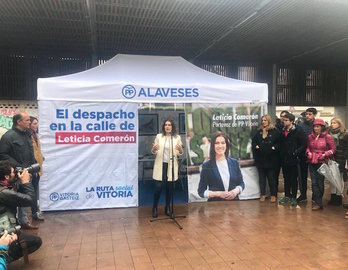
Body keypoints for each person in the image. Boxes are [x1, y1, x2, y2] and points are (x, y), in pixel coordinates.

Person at [0, 112, 38, 230]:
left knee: (25, 196)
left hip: (28, 171)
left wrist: (34, 165)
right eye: (27, 120)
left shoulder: (27, 134)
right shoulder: (8, 136)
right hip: (15, 173)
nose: (29, 123)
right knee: (18, 197)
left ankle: (24, 221)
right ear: (19, 122)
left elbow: (30, 152)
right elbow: (3, 154)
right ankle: (15, 223)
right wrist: (17, 167)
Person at [0, 160, 42, 263]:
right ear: (6, 176)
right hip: (3, 234)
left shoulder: (5, 188)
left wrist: (18, 181)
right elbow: (30, 200)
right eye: (13, 172)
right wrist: (26, 182)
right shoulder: (4, 193)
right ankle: (5, 256)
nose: (16, 174)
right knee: (36, 241)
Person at [197, 131, 245, 201]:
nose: (220, 146)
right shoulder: (206, 166)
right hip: (215, 206)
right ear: (213, 146)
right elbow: (201, 192)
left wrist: (236, 191)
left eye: (223, 143)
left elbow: (241, 183)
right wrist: (217, 194)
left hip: (234, 205)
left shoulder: (234, 163)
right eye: (217, 143)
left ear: (226, 145)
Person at [151, 119, 183, 218]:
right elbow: (154, 151)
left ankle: (167, 207)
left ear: (172, 127)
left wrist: (181, 150)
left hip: (171, 166)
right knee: (158, 188)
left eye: (169, 125)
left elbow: (179, 152)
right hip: (161, 165)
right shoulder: (159, 137)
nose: (167, 126)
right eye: (166, 125)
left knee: (170, 188)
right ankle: (155, 207)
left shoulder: (177, 138)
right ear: (164, 127)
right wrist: (153, 149)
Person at [306, 119, 336, 210]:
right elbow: (308, 147)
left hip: (322, 162)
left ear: (322, 127)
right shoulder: (310, 136)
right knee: (314, 183)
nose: (316, 128)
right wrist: (308, 153)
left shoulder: (328, 137)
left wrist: (325, 154)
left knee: (320, 182)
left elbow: (333, 149)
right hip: (312, 161)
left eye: (318, 126)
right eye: (314, 126)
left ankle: (319, 201)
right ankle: (318, 202)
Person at [279, 113, 306, 207]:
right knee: (286, 178)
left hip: (294, 158)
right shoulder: (282, 131)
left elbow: (304, 144)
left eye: (286, 120)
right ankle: (287, 195)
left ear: (291, 121)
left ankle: (294, 196)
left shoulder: (298, 131)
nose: (284, 122)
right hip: (284, 158)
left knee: (294, 178)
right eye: (283, 120)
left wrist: (296, 152)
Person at [252, 114, 280, 203]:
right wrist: (255, 146)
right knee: (262, 178)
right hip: (261, 159)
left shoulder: (275, 131)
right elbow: (254, 142)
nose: (263, 122)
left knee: (271, 178)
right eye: (262, 120)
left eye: (265, 120)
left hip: (271, 159)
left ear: (269, 121)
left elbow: (279, 143)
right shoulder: (258, 131)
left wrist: (274, 148)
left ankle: (273, 195)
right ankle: (262, 194)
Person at [297, 107, 317, 203]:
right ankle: (303, 195)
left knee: (315, 176)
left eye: (310, 114)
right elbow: (298, 140)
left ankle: (315, 195)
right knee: (302, 176)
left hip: (316, 154)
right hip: (303, 154)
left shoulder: (318, 125)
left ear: (314, 115)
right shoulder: (300, 126)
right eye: (306, 114)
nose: (307, 116)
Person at [327, 117, 348, 206]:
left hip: (341, 158)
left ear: (339, 124)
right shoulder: (327, 134)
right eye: (331, 123)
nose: (332, 124)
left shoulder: (345, 134)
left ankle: (339, 197)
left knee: (339, 178)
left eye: (335, 123)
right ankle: (333, 196)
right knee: (331, 178)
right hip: (330, 158)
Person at [29, 116, 44, 221]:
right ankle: (33, 212)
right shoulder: (27, 136)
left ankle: (35, 211)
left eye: (37, 123)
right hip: (32, 167)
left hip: (38, 166)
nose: (36, 125)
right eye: (34, 123)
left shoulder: (35, 135)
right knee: (32, 191)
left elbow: (37, 150)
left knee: (35, 189)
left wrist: (41, 157)